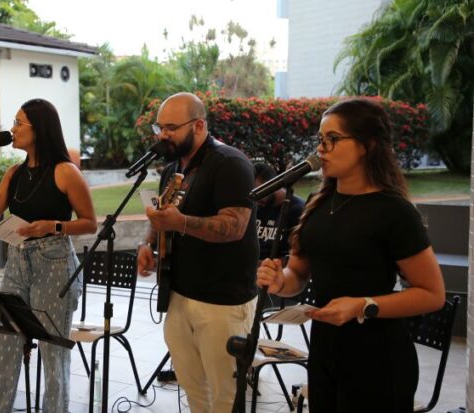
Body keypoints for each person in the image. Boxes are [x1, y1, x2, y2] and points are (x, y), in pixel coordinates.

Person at [256, 97, 446, 412]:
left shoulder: (394, 211)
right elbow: (298, 274)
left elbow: (432, 294)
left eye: (332, 139)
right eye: (320, 140)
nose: (321, 150)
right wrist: (280, 282)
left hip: (377, 357)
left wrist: (362, 305)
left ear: (366, 146)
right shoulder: (318, 202)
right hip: (326, 350)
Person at [137, 92, 258, 413]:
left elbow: (235, 226)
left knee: (225, 396)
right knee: (194, 392)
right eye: (159, 127)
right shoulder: (172, 169)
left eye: (171, 128)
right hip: (179, 293)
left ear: (199, 126)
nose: (163, 135)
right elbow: (162, 215)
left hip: (222, 300)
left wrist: (182, 222)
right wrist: (148, 244)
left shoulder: (230, 164)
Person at [0, 98, 96, 412]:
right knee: (3, 347)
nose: (12, 129)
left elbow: (89, 222)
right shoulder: (14, 173)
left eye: (19, 123)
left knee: (53, 356)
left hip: (54, 262)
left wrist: (53, 226)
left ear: (39, 129)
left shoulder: (65, 172)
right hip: (17, 261)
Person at [253, 161, 305, 260]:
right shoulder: (258, 206)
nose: (256, 199)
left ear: (273, 185)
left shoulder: (297, 210)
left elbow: (298, 258)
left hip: (275, 267)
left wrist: (261, 264)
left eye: (259, 192)